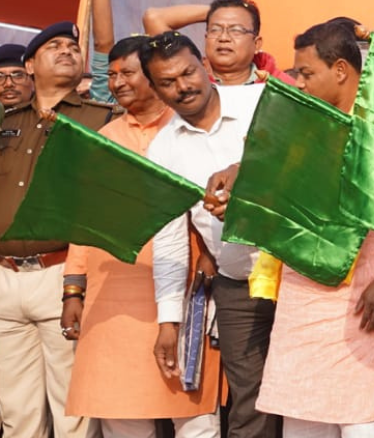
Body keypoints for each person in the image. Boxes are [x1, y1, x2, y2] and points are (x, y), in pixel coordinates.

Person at [244, 21, 374, 438]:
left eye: (306, 73)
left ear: (341, 70)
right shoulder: (301, 128)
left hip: (366, 304)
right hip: (302, 304)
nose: (299, 83)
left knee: (366, 427)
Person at [60, 36, 221, 438]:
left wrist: (210, 258)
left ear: (153, 77)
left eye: (127, 73)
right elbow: (87, 218)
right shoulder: (104, 138)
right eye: (111, 76)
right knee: (119, 408)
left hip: (184, 284)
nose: (116, 83)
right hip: (112, 293)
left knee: (192, 406)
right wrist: (74, 289)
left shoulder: (189, 129)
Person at [143, 32, 278, 438]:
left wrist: (246, 172)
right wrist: (169, 320)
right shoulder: (162, 150)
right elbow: (168, 238)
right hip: (237, 285)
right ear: (154, 89)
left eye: (187, 72)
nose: (182, 86)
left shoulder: (261, 104)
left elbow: (305, 161)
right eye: (167, 82)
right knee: (249, 402)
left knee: (313, 394)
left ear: (204, 64)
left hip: (299, 275)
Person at [0, 22, 118, 438]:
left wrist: (78, 282)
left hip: (64, 271)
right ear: (29, 65)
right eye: (54, 46)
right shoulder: (6, 120)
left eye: (72, 46)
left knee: (73, 411)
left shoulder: (102, 119)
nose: (67, 50)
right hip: (6, 274)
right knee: (16, 412)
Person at [142, 0, 289, 86]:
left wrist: (234, 11)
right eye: (215, 29)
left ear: (256, 43)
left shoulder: (279, 86)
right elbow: (154, 18)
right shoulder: (188, 78)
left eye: (236, 30)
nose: (223, 38)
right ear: (205, 38)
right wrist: (222, 11)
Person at [0, 44, 33, 109]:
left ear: (33, 80)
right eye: (0, 76)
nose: (8, 84)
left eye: (18, 76)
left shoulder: (52, 116)